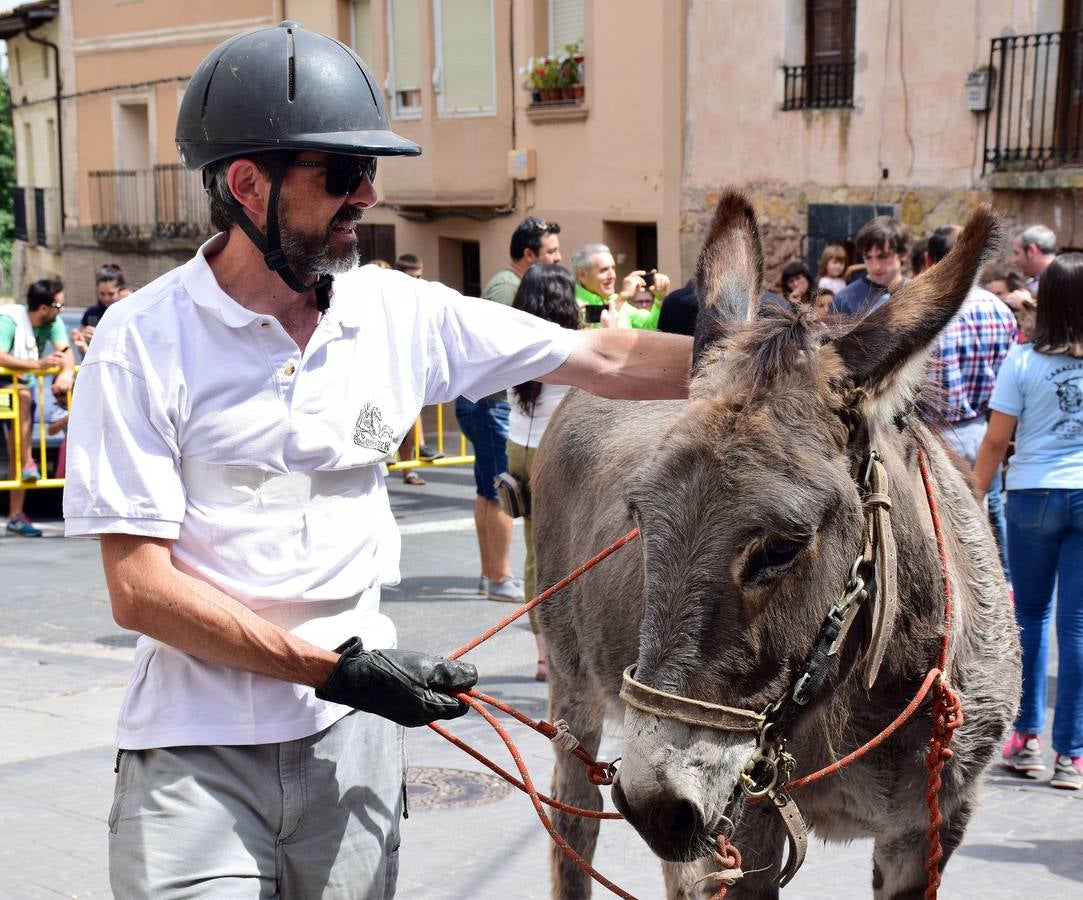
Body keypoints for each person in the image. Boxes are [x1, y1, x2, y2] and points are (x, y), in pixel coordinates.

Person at [62, 22, 693, 899]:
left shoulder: (396, 312)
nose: (366, 194)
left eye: (370, 172)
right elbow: (139, 589)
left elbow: (606, 359)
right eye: (340, 174)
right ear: (247, 182)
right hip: (194, 752)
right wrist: (334, 671)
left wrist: (806, 355)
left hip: (350, 748)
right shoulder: (140, 342)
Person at [973, 252, 1083, 791]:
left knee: (1032, 617)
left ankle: (1027, 739)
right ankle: (1073, 754)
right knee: (1078, 625)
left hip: (1034, 491)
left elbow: (996, 440)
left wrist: (974, 491)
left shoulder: (1022, 362)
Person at [457, 217, 563, 599]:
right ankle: (500, 577)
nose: (557, 257)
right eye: (551, 251)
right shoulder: (508, 290)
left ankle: (491, 574)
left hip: (484, 404)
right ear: (529, 254)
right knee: (502, 489)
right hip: (491, 405)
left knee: (488, 490)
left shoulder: (506, 283)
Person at [926, 225, 1016, 577]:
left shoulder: (933, 312)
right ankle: (998, 578)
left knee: (943, 518)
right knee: (989, 511)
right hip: (984, 425)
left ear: (932, 261)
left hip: (939, 432)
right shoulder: (1000, 311)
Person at [505, 264, 580, 680]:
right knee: (575, 549)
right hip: (560, 451)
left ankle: (542, 655)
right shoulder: (565, 342)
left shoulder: (513, 338)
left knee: (537, 553)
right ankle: (561, 649)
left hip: (519, 445)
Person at [0, 279, 74, 536]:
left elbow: (65, 351)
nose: (61, 309)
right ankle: (30, 461)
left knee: (15, 449)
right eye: (58, 305)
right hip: (7, 386)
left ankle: (15, 515)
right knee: (21, 395)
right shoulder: (9, 320)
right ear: (44, 307)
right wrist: (38, 366)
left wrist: (65, 372)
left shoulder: (53, 322)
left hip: (22, 388)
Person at [393, 252, 443, 483]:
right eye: (411, 277)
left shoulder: (422, 298)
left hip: (410, 367)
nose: (417, 282)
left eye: (419, 276)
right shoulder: (389, 299)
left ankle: (409, 469)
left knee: (410, 413)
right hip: (388, 368)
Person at [571, 243, 670, 329]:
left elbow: (649, 325)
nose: (612, 276)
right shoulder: (570, 302)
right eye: (604, 270)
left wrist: (659, 299)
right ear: (582, 275)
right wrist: (623, 296)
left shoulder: (614, 299)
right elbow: (596, 322)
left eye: (613, 268)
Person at [830, 216, 910, 318]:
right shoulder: (843, 300)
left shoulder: (920, 294)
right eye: (868, 257)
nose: (876, 266)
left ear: (903, 254)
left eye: (883, 256)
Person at [76, 263, 125, 351]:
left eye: (111, 294)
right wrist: (82, 337)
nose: (106, 298)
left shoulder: (126, 313)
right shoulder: (91, 313)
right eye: (102, 294)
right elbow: (81, 347)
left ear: (121, 290)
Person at [1011, 224, 1057, 295]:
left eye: (1017, 253)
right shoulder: (1033, 281)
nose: (1014, 260)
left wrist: (1025, 304)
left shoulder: (1061, 280)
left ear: (1031, 251)